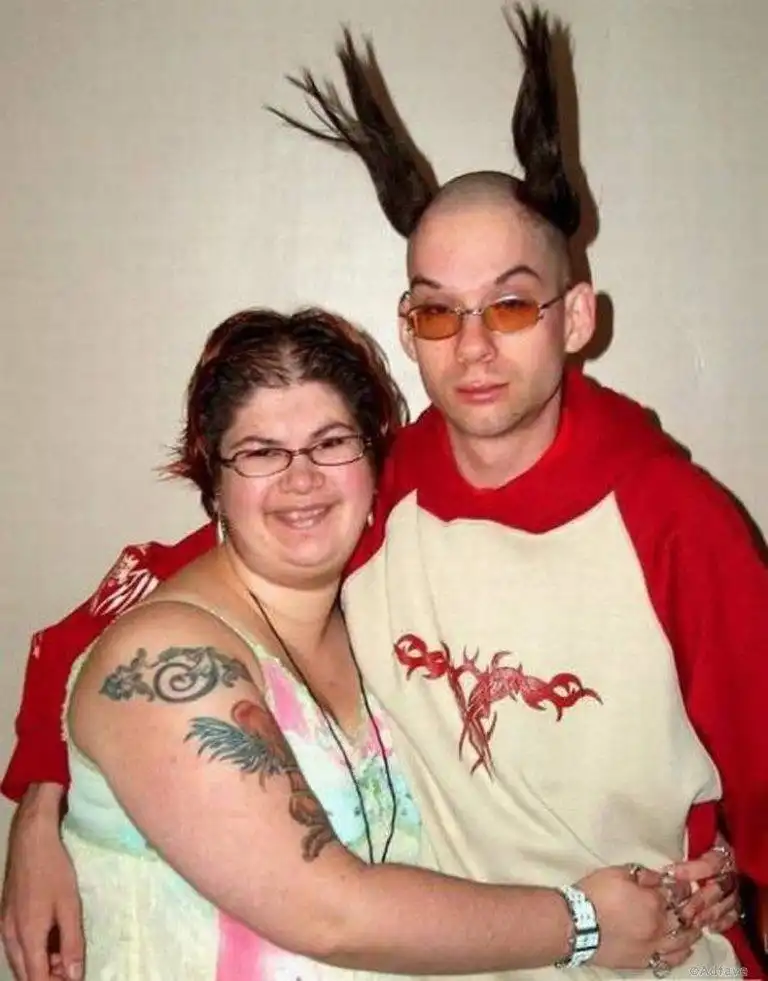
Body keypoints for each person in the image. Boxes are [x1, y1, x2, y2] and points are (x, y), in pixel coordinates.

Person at [2, 4, 765, 980]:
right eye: (439, 313)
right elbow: (125, 618)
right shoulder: (372, 488)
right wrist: (41, 802)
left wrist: (735, 879)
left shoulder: (674, 522)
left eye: (511, 304)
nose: (473, 346)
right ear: (408, 328)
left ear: (575, 316)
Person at [4, 305, 699, 981]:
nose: (301, 478)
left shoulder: (373, 612)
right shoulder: (168, 653)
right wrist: (585, 922)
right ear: (214, 477)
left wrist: (689, 857)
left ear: (373, 462)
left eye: (332, 442)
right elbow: (326, 911)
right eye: (261, 451)